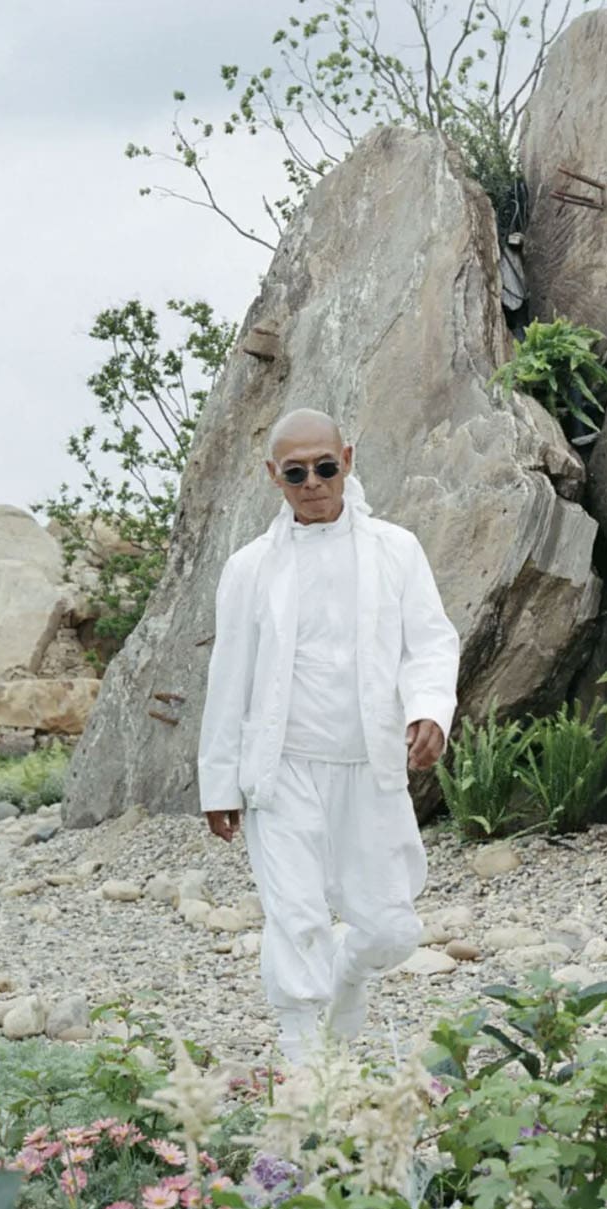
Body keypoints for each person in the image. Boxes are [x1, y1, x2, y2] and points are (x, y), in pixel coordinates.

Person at [197, 408, 460, 1062]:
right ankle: (302, 1062)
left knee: (392, 929)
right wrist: (219, 780)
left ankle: (348, 972)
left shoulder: (395, 550)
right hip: (282, 773)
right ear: (273, 477)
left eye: (325, 466)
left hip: (368, 769)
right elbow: (229, 676)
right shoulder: (250, 568)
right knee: (298, 917)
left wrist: (429, 710)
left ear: (347, 458)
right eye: (296, 472)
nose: (313, 482)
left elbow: (431, 643)